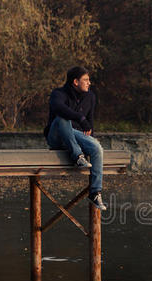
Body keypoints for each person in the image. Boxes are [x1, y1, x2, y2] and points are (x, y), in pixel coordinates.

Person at [44, 66, 106, 210]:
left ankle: (95, 192)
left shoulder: (90, 96)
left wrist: (91, 141)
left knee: (97, 148)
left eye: (89, 80)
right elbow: (59, 108)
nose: (89, 83)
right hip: (57, 136)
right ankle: (78, 155)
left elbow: (89, 123)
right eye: (85, 80)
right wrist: (79, 118)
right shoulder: (58, 94)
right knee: (62, 118)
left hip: (76, 137)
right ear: (75, 82)